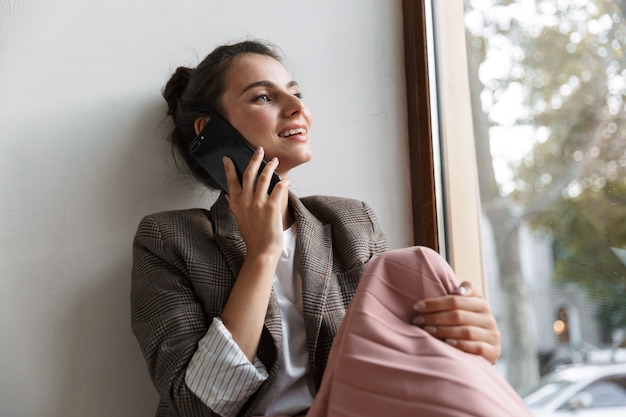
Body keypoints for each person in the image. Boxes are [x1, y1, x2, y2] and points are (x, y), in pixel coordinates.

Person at [131, 40, 532, 417]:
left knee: (417, 264)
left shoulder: (351, 222)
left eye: (296, 93)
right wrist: (262, 254)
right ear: (210, 131)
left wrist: (469, 343)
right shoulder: (169, 240)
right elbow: (196, 407)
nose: (297, 108)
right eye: (264, 97)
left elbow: (394, 363)